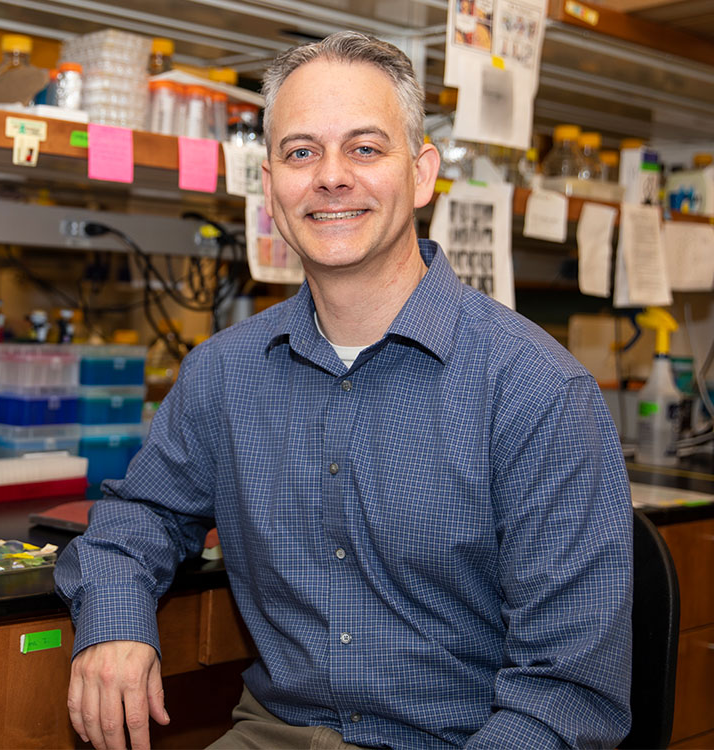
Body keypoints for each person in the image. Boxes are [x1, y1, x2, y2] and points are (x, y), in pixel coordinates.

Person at [55, 30, 632, 750]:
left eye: (365, 148)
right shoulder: (225, 372)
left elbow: (568, 692)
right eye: (301, 152)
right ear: (270, 187)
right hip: (276, 734)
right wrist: (112, 623)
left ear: (421, 174)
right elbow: (137, 517)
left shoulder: (539, 391)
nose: (331, 177)